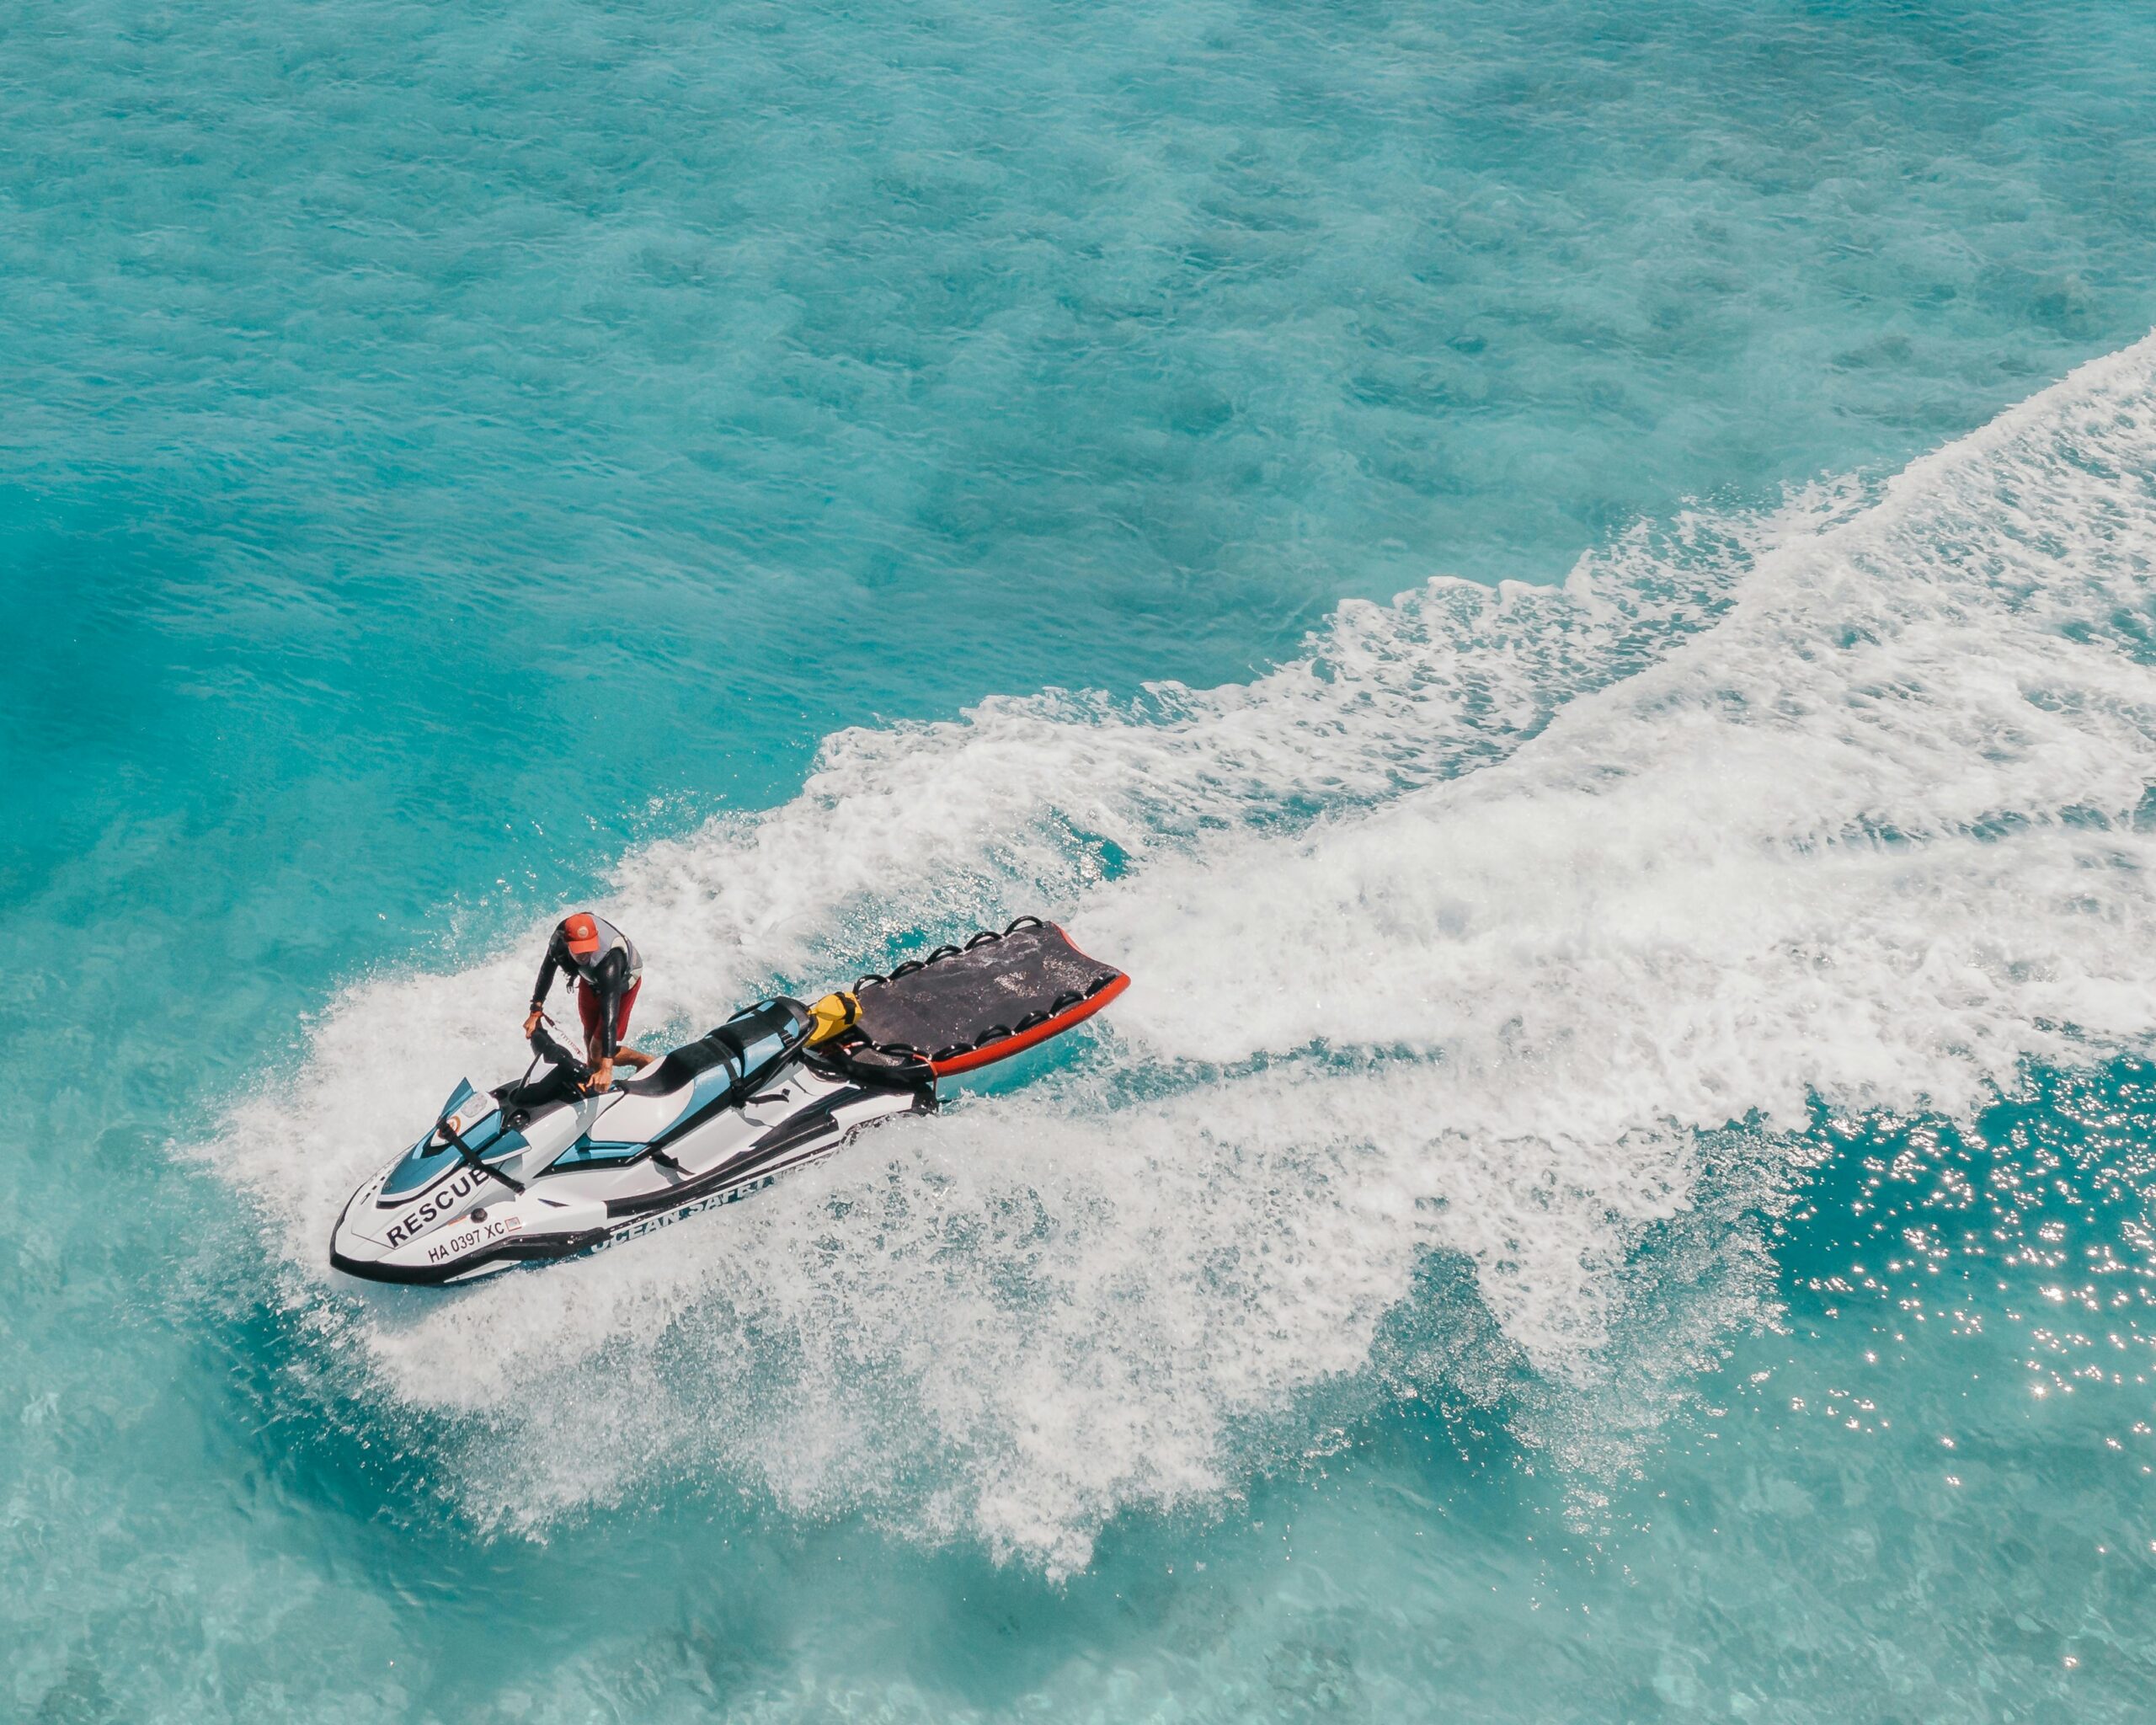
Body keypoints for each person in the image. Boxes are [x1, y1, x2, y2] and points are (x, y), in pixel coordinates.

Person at [521, 911, 654, 1091]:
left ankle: (644, 1061)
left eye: (588, 948)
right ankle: (592, 1079)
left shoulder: (609, 961)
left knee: (597, 1051)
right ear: (568, 944)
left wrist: (607, 1068)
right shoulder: (560, 940)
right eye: (579, 950)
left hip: (621, 984)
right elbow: (547, 970)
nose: (584, 955)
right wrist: (535, 1011)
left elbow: (610, 1018)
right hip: (592, 981)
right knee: (589, 1037)